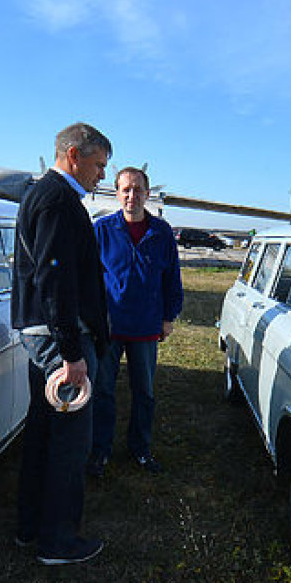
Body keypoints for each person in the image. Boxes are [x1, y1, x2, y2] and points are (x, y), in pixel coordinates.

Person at [12, 122, 112, 565]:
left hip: (45, 334)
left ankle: (30, 527)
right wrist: (71, 354)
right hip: (60, 338)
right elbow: (54, 276)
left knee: (43, 432)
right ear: (74, 156)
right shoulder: (57, 200)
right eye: (97, 165)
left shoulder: (45, 195)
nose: (101, 176)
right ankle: (58, 540)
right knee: (71, 442)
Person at [88, 165, 183, 476]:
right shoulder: (102, 230)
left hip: (145, 326)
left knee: (144, 391)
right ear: (117, 193)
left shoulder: (162, 232)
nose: (132, 195)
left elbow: (172, 279)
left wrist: (168, 316)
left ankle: (140, 448)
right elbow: (88, 279)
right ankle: (100, 451)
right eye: (126, 189)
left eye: (138, 189)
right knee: (103, 390)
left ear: (147, 193)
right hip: (110, 327)